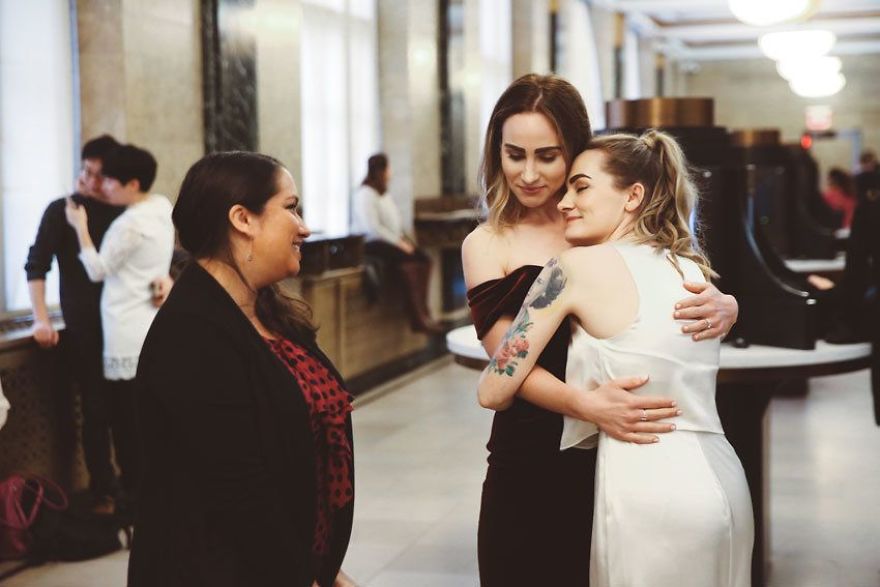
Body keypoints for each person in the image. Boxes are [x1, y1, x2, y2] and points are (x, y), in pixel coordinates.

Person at [461, 73, 739, 586]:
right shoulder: (488, 242)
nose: (529, 174)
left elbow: (665, 284)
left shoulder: (600, 220)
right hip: (532, 448)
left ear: (576, 150)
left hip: (616, 453)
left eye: (548, 156)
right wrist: (585, 405)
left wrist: (726, 305)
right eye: (513, 154)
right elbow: (504, 360)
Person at [128, 152, 356, 587]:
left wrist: (325, 569)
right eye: (290, 208)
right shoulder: (193, 332)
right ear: (242, 219)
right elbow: (238, 488)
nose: (304, 227)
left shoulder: (268, 309)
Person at [65, 144, 175, 513]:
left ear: (132, 183)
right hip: (150, 324)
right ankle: (154, 493)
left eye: (111, 180)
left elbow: (97, 269)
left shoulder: (129, 223)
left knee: (126, 422)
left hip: (125, 328)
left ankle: (137, 497)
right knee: (146, 418)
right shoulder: (161, 208)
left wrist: (80, 228)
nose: (104, 186)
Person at [25, 134, 124, 514]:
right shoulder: (61, 211)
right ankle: (105, 492)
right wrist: (40, 317)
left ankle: (135, 491)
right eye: (86, 170)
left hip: (126, 327)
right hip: (84, 330)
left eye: (99, 175)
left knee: (129, 413)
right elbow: (37, 264)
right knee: (95, 412)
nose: (90, 180)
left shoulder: (123, 213)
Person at [351, 153, 441, 334]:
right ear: (381, 170)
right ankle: (418, 316)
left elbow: (395, 224)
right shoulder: (365, 194)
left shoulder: (382, 193)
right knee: (412, 259)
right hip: (373, 244)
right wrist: (399, 244)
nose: (391, 173)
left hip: (390, 242)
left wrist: (404, 240)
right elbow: (373, 228)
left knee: (423, 258)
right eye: (389, 168)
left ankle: (423, 311)